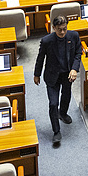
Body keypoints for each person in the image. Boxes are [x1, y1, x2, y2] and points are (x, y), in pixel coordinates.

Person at [33, 15, 81, 144]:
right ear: (53, 28)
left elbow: (78, 53)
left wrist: (74, 69)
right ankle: (56, 131)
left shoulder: (73, 36)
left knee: (66, 96)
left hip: (67, 74)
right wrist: (36, 74)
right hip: (52, 75)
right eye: (59, 29)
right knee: (53, 103)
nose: (62, 32)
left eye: (64, 29)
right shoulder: (47, 41)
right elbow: (40, 58)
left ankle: (63, 113)